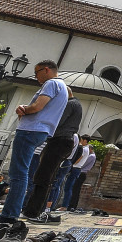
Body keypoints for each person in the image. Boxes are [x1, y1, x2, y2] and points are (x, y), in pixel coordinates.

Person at [0, 60, 68, 224]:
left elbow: (37, 107)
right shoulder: (64, 88)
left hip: (31, 130)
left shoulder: (51, 83)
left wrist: (23, 108)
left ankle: (9, 214)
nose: (36, 77)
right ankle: (11, 212)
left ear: (46, 70)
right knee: (22, 173)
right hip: (42, 131)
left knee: (18, 174)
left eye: (37, 72)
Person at [23, 94, 81, 222]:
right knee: (45, 178)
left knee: (44, 178)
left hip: (59, 142)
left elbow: (57, 122)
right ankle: (35, 210)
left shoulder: (69, 104)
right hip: (60, 142)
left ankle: (35, 212)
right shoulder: (75, 104)